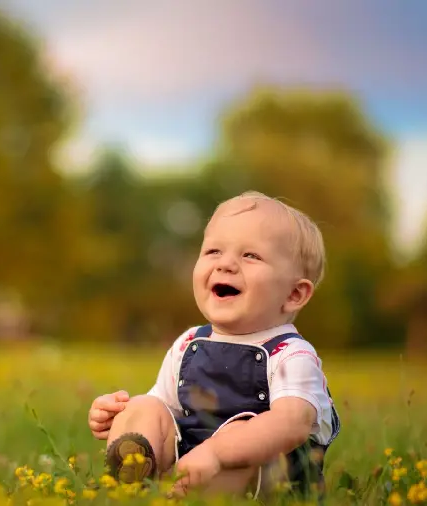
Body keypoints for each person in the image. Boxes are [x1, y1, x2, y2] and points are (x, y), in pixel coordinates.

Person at [87, 191, 341, 499]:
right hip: (192, 466)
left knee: (243, 429)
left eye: (251, 256)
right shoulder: (188, 344)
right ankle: (135, 473)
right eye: (213, 252)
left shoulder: (291, 355)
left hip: (266, 482)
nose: (226, 265)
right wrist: (119, 417)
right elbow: (166, 409)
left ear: (293, 295)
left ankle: (178, 496)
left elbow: (293, 422)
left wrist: (218, 453)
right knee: (145, 406)